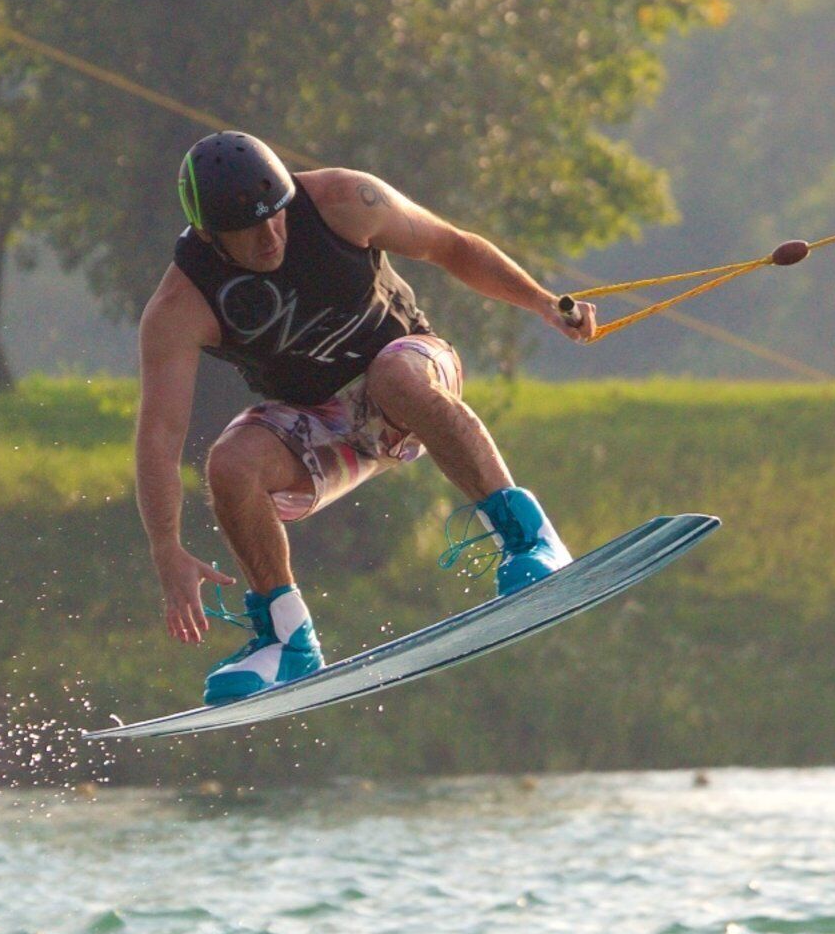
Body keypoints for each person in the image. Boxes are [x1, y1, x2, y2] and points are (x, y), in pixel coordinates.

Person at [134, 131, 597, 705]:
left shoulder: (344, 201)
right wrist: (165, 546)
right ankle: (286, 641)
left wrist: (545, 304)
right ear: (209, 235)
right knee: (229, 463)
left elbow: (450, 246)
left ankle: (530, 541)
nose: (272, 235)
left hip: (413, 370)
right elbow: (159, 434)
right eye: (249, 230)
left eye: (277, 215)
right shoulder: (181, 305)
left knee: (393, 377)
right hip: (322, 423)